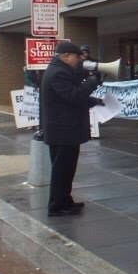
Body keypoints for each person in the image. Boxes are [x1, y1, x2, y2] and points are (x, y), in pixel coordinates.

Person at [40, 41, 105, 217]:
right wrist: (91, 82)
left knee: (67, 169)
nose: (79, 60)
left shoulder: (59, 70)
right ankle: (56, 206)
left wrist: (95, 101)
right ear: (66, 56)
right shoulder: (58, 73)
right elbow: (74, 96)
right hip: (62, 130)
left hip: (65, 129)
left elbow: (73, 95)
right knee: (62, 170)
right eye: (77, 57)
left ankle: (65, 200)